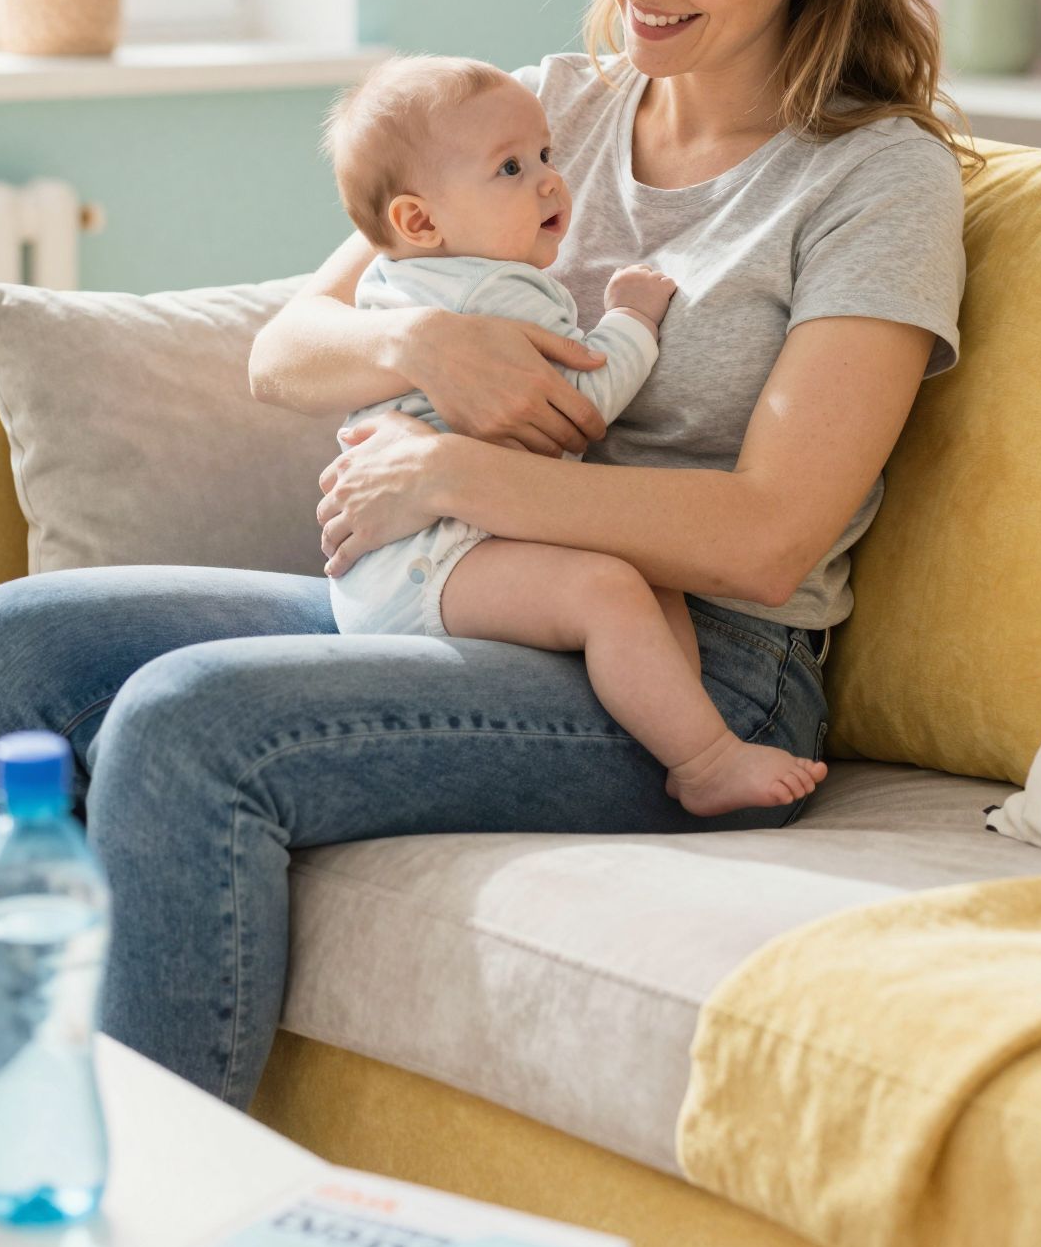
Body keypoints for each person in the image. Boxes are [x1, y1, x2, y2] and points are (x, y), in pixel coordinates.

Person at [0, 0, 973, 1113]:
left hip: (693, 662)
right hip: (451, 588)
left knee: (190, 721)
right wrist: (420, 338)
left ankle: (148, 1205)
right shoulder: (551, 109)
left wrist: (449, 474)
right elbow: (288, 351)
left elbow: (768, 535)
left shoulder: (875, 182)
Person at [323, 52, 827, 815]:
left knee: (645, 575)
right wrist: (630, 319)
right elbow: (584, 399)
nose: (550, 181)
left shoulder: (401, 278)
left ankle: (687, 723)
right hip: (439, 558)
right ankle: (704, 756)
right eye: (511, 169)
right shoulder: (499, 288)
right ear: (418, 221)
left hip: (404, 560)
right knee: (608, 590)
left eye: (546, 155)